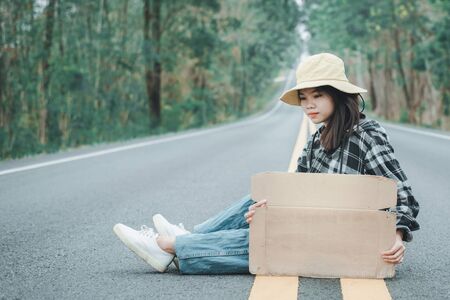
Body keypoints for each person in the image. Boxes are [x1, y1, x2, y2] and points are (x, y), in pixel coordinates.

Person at [113, 53, 420, 274]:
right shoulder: (315, 141)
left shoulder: (367, 135)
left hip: (346, 239)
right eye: (303, 97)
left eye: (318, 96)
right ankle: (188, 239)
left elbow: (404, 196)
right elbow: (293, 195)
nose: (309, 105)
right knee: (261, 201)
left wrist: (396, 238)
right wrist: (262, 213)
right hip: (310, 229)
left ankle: (169, 245)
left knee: (267, 239)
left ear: (339, 96)